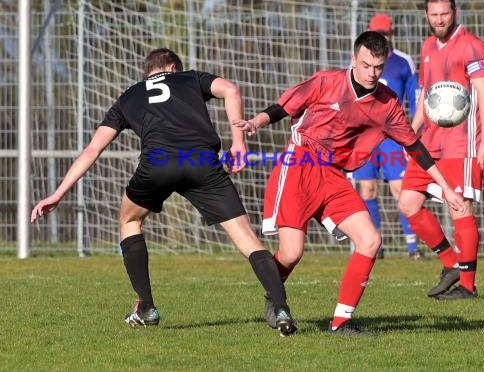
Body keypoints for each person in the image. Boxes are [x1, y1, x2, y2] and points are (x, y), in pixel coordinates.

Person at [30, 48, 297, 336]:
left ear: (150, 71)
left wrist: (58, 193)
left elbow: (93, 149)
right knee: (247, 240)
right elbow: (230, 90)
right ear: (172, 67)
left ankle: (146, 307)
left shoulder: (129, 96)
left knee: (129, 220)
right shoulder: (189, 78)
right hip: (202, 162)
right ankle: (281, 308)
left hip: (157, 164)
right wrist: (239, 144)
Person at [233, 31, 466, 334]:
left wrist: (446, 188)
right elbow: (284, 107)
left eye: (378, 67)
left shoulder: (387, 103)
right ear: (354, 59)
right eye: (366, 65)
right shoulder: (327, 82)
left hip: (333, 175)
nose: (372, 73)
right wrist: (255, 122)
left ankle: (342, 321)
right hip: (300, 164)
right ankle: (274, 297)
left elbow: (414, 146)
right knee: (291, 253)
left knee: (370, 240)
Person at [398, 0, 484, 300]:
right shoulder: (427, 45)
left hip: (461, 144)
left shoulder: (471, 46)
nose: (439, 20)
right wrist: (410, 132)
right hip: (429, 142)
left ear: (455, 12)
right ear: (427, 15)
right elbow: (426, 96)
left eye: (445, 14)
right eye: (434, 14)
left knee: (459, 207)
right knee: (408, 203)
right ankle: (450, 263)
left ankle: (467, 287)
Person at [351, 13, 424, 260]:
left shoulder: (403, 62)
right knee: (367, 190)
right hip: (363, 139)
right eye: (377, 32)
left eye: (385, 32)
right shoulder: (359, 62)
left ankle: (413, 247)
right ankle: (375, 246)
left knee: (400, 190)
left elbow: (415, 98)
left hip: (392, 137)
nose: (381, 36)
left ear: (391, 34)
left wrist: (412, 131)